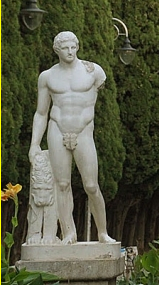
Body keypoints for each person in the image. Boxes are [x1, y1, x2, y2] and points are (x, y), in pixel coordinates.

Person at [28, 31, 115, 244]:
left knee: (91, 185)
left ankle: (102, 232)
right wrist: (34, 144)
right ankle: (69, 232)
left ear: (77, 47)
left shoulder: (93, 71)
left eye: (73, 47)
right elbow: (41, 113)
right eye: (65, 48)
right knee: (62, 185)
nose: (70, 51)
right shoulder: (47, 77)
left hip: (83, 132)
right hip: (57, 129)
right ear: (56, 50)